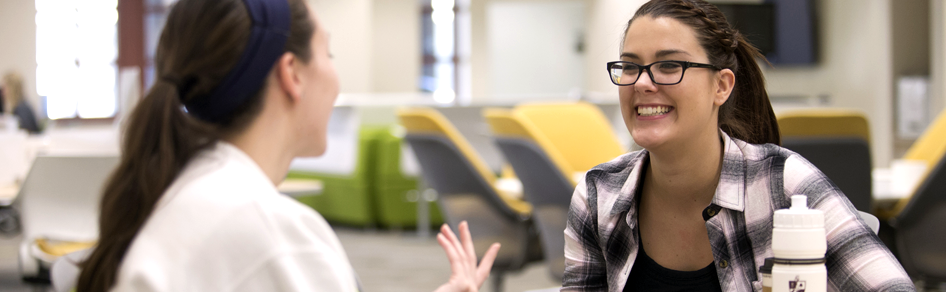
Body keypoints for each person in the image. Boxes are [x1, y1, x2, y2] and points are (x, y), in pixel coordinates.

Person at [76, 0, 500, 291]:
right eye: (329, 54)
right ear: (292, 74)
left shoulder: (184, 190)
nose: (336, 77)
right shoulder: (272, 230)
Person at [562, 0, 915, 291]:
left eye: (669, 65)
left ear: (722, 86)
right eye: (630, 66)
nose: (642, 83)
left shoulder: (782, 183)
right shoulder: (599, 195)